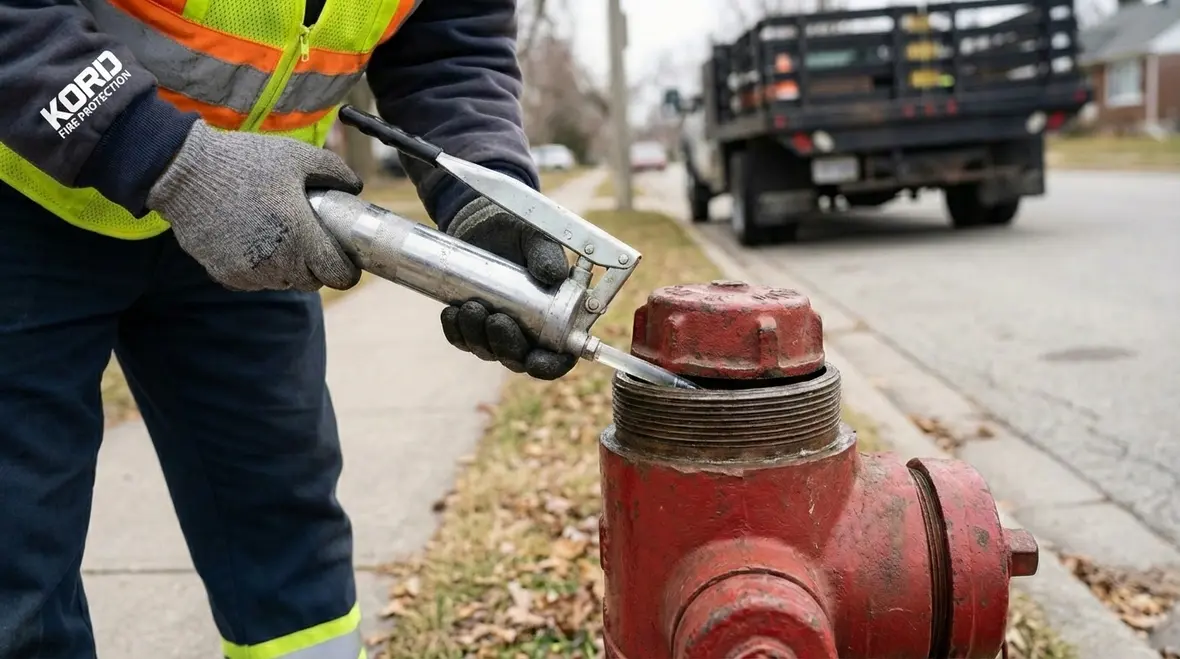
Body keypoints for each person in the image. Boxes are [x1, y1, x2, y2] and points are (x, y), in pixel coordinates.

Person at [0, 0, 574, 656]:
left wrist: (485, 196)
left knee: (288, 543)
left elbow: (449, 41)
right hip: (24, 183)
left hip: (257, 206)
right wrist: (168, 158)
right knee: (14, 560)